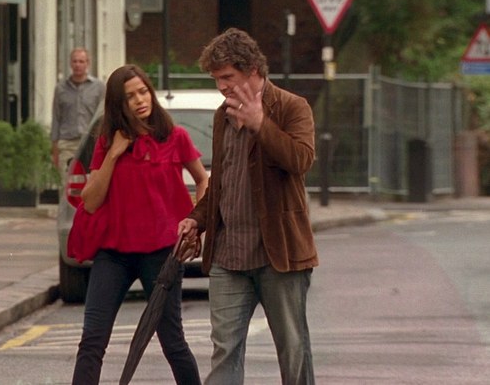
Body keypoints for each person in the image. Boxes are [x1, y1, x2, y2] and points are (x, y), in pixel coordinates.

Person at [177, 28, 318, 385]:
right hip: (228, 256)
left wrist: (260, 125)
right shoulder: (222, 116)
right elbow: (222, 182)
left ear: (253, 69)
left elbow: (300, 161)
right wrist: (196, 219)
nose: (222, 86)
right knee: (224, 349)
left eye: (227, 77)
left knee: (293, 349)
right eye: (216, 79)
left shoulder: (291, 107)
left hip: (279, 255)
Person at [71, 64, 207, 385]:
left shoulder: (175, 136)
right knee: (92, 341)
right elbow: (91, 201)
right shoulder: (107, 142)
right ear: (118, 104)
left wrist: (196, 222)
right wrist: (113, 154)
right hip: (114, 254)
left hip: (161, 255)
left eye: (143, 91)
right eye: (130, 96)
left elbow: (203, 180)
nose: (140, 100)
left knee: (173, 342)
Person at [50, 47, 105, 175]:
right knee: (67, 182)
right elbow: (56, 118)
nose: (78, 65)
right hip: (67, 144)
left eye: (81, 61)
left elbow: (103, 116)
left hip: (90, 143)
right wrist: (55, 149)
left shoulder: (99, 87)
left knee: (90, 181)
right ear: (70, 63)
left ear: (87, 63)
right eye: (75, 61)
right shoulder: (60, 88)